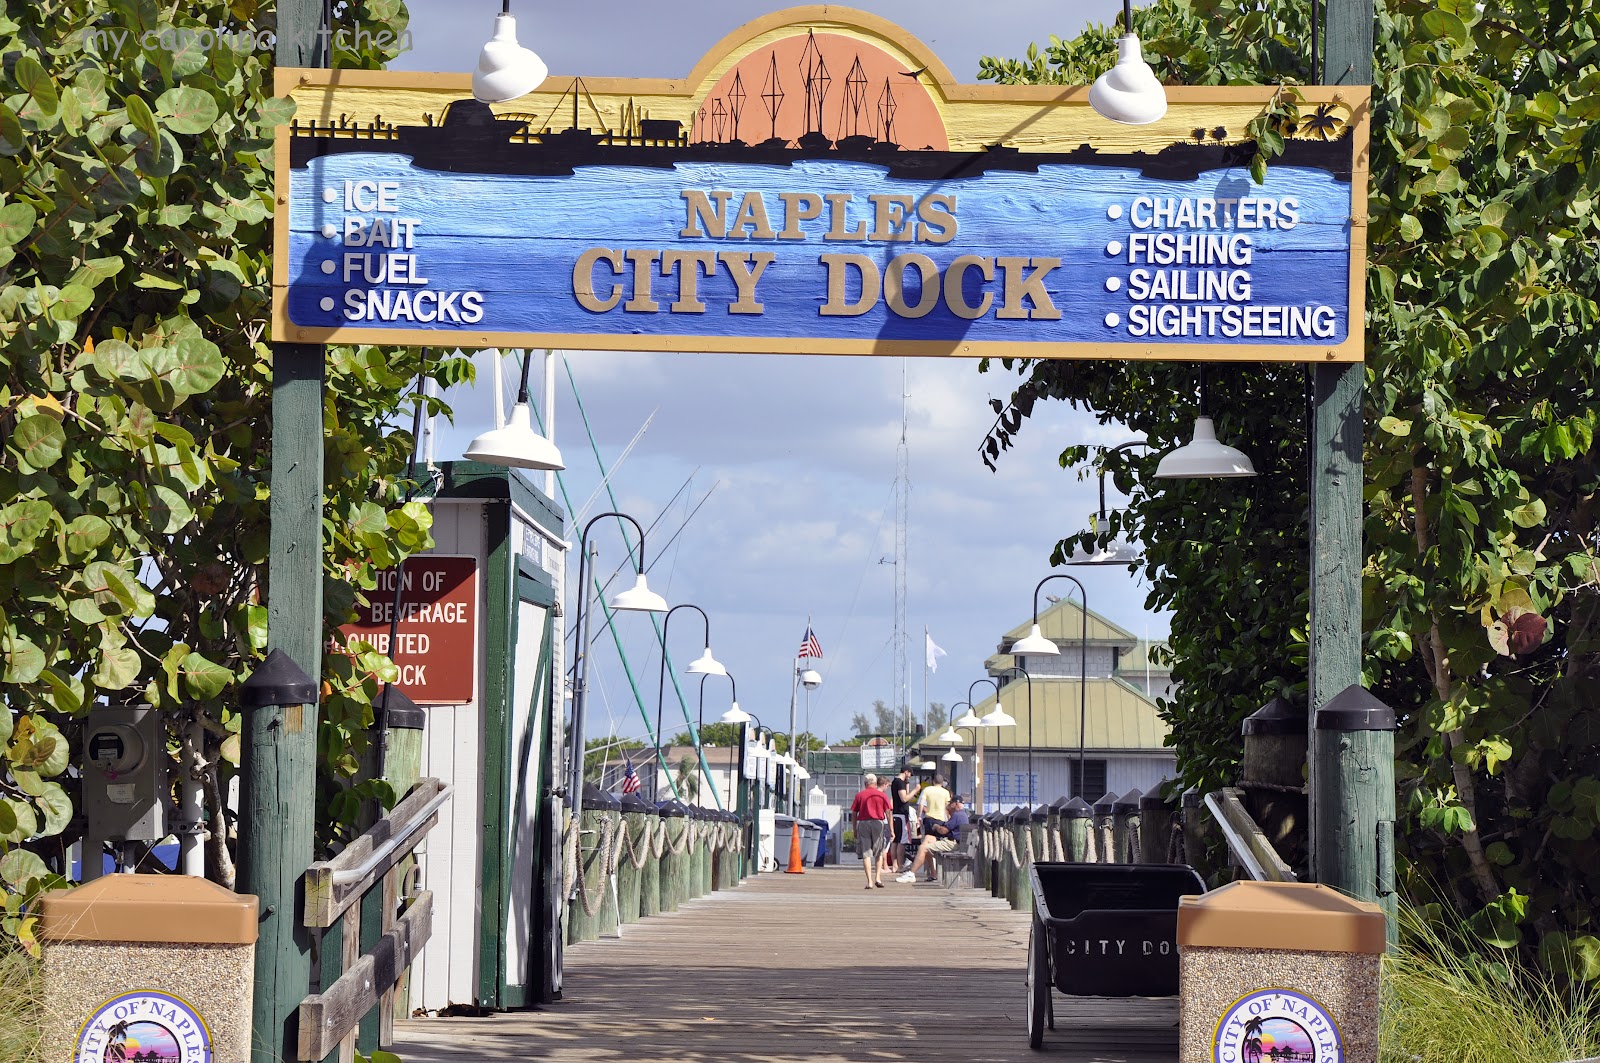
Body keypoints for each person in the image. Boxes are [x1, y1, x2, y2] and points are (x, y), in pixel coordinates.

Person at [898, 795, 969, 883]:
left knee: (924, 848)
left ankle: (911, 873)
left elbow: (943, 831)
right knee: (928, 838)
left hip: (954, 843)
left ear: (956, 803)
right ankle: (933, 874)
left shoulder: (957, 815)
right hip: (954, 841)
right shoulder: (962, 814)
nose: (949, 805)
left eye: (951, 803)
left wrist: (936, 827)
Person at [849, 773, 892, 889]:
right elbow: (888, 812)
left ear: (865, 783)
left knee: (866, 853)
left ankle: (870, 881)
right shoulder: (881, 795)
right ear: (875, 783)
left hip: (863, 823)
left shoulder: (860, 795)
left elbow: (854, 813)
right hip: (878, 823)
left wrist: (854, 829)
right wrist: (892, 830)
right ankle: (878, 877)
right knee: (879, 851)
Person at [888, 766, 920, 873]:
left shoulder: (896, 782)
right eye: (910, 774)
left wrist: (907, 784)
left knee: (895, 841)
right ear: (906, 772)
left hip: (897, 814)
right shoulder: (899, 782)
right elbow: (904, 798)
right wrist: (915, 790)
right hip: (902, 815)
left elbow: (905, 794)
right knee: (902, 841)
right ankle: (900, 865)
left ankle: (895, 865)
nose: (910, 776)